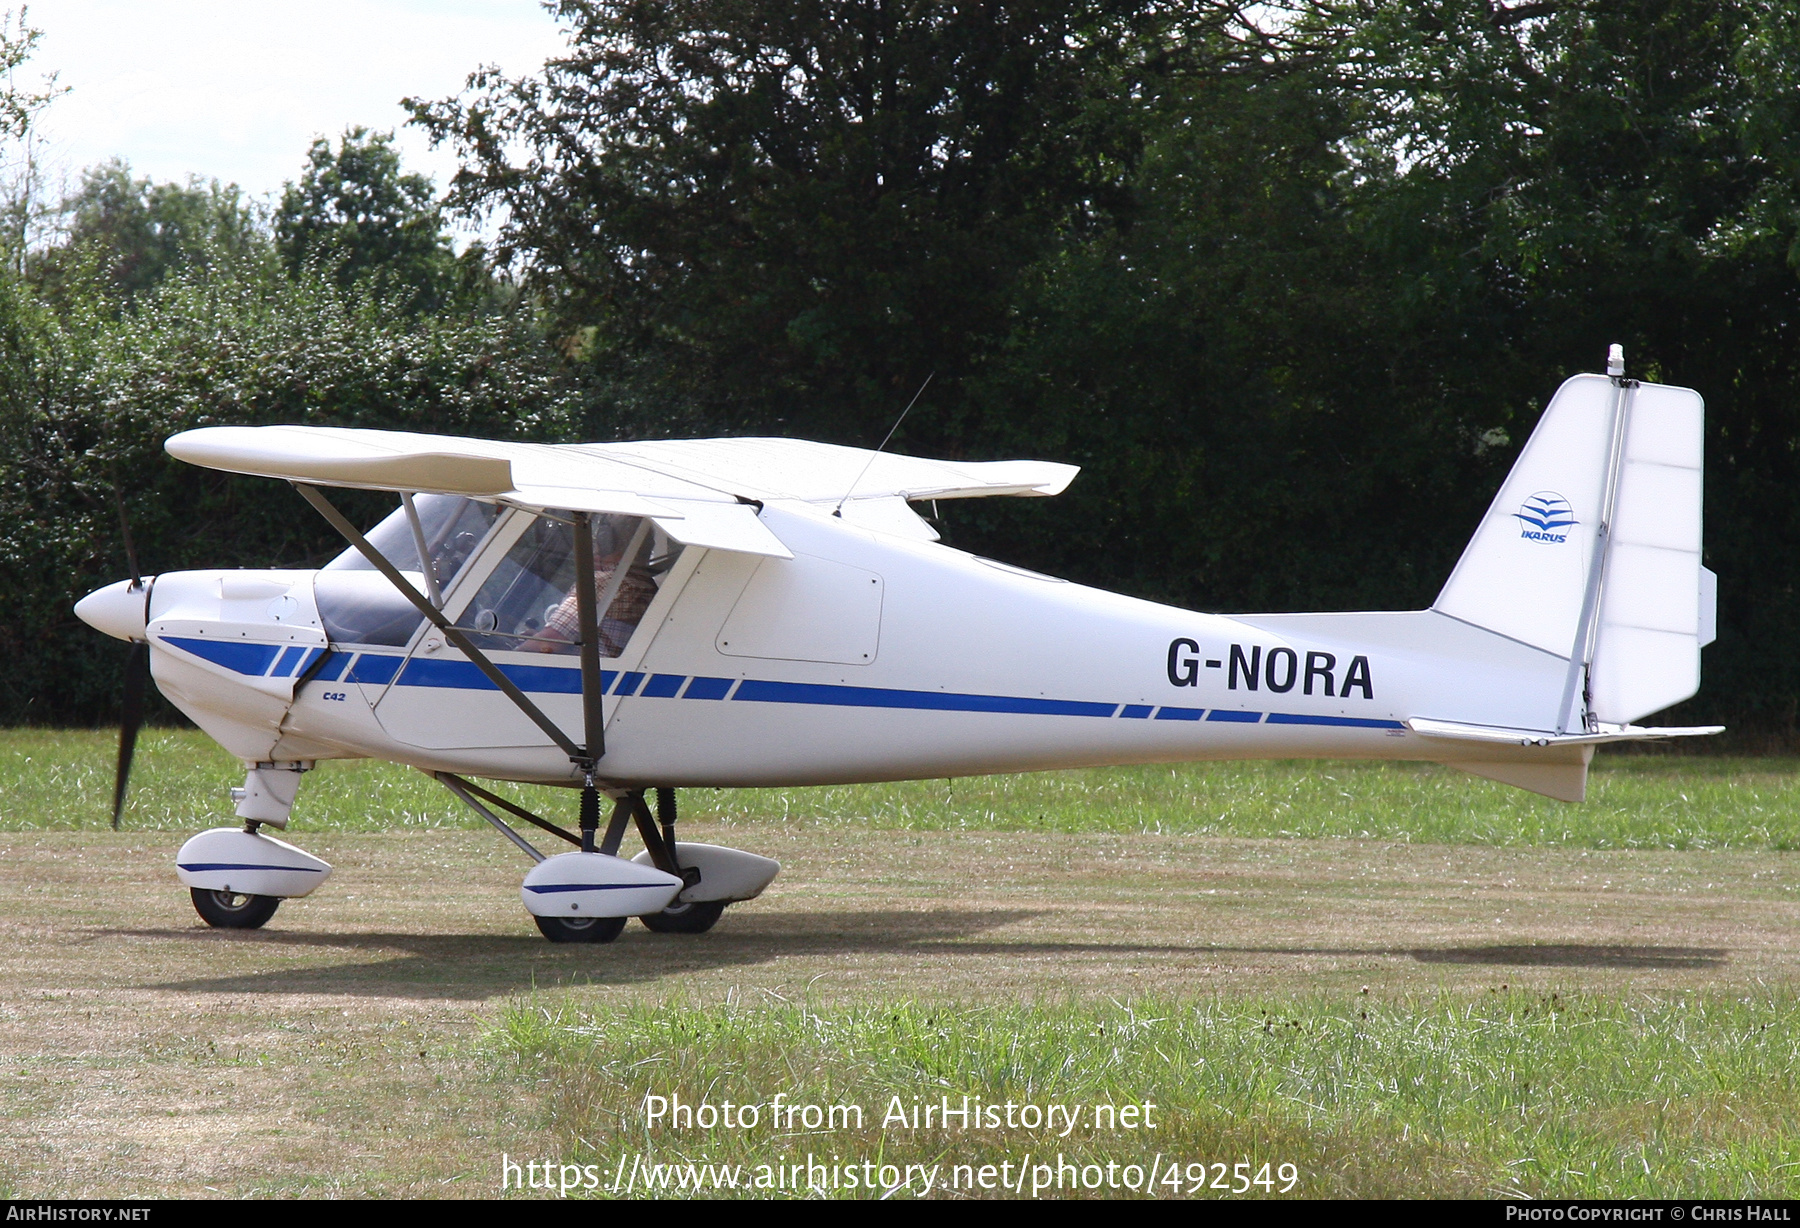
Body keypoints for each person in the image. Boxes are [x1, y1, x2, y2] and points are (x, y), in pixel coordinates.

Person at [523, 528, 658, 656]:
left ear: (608, 543)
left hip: (577, 677)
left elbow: (549, 642)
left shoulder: (604, 583)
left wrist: (518, 648)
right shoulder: (650, 590)